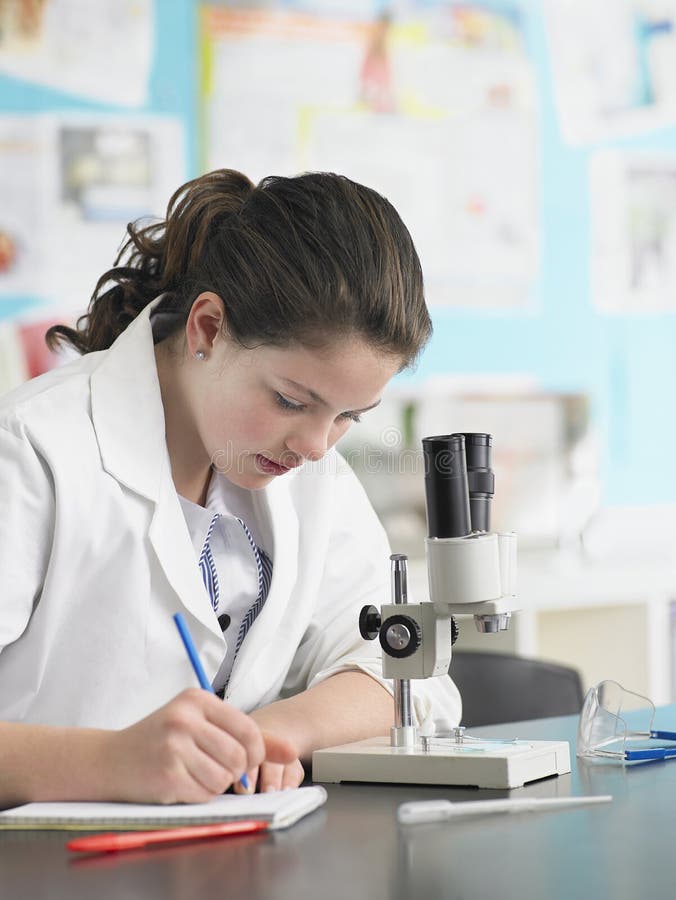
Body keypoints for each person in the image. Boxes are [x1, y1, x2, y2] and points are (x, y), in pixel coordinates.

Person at [0, 168, 460, 807]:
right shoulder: (32, 450)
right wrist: (106, 762)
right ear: (208, 329)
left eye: (351, 416)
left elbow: (409, 676)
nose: (317, 446)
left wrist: (268, 734)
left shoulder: (308, 471)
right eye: (290, 399)